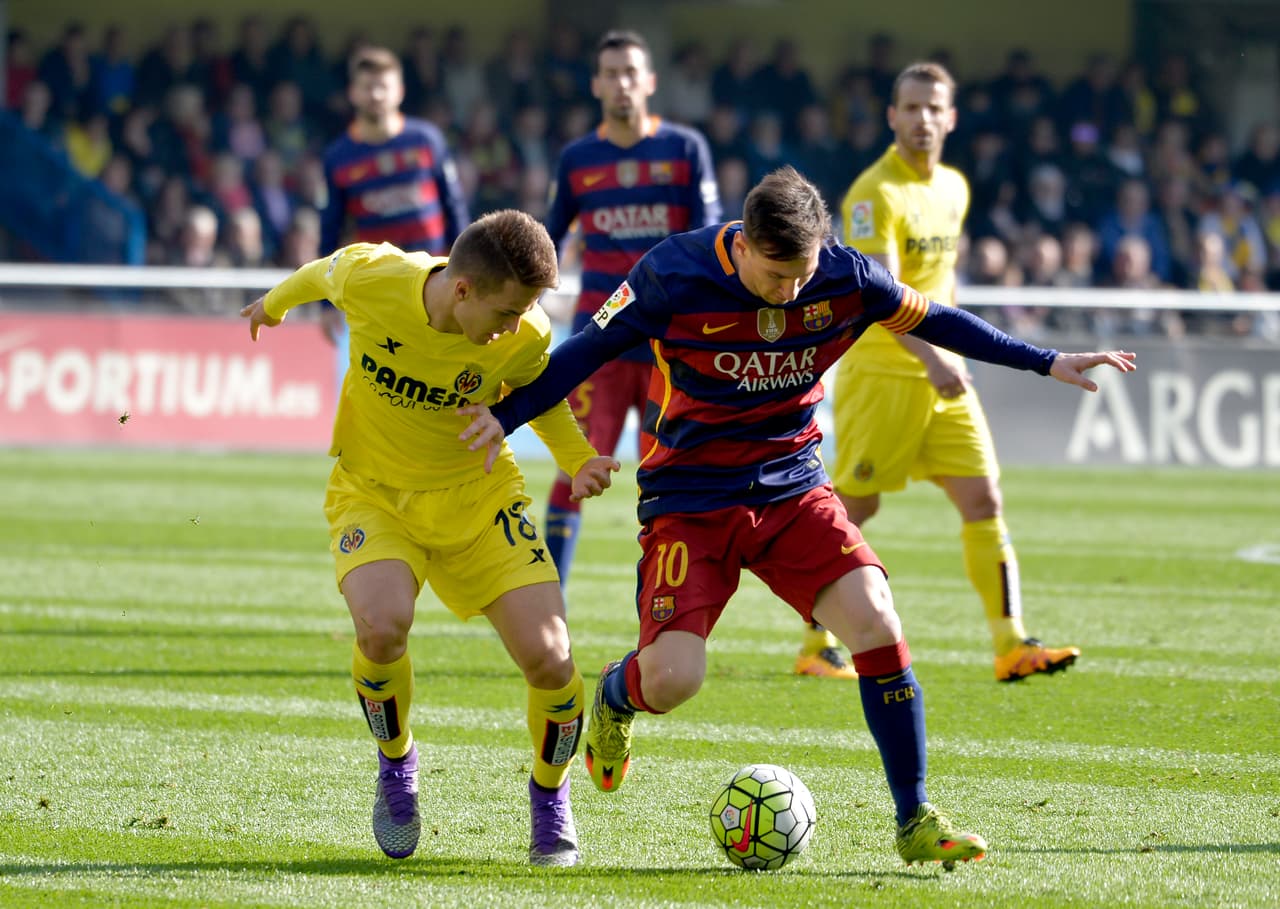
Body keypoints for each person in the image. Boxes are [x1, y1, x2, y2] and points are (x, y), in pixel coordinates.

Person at [459, 166, 1136, 864]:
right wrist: (505, 416)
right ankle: (614, 694)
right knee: (672, 680)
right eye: (776, 275)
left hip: (793, 487)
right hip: (690, 498)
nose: (789, 293)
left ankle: (913, 818)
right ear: (743, 244)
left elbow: (936, 318)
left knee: (877, 621)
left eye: (802, 276)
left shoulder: (848, 277)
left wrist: (1044, 360)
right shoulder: (673, 273)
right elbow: (583, 352)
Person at [240, 209, 620, 867]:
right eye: (508, 310)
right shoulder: (376, 276)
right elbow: (321, 274)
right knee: (382, 627)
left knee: (553, 660)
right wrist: (272, 305)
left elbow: (538, 391)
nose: (519, 324)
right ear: (463, 289)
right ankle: (396, 763)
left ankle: (550, 796)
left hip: (479, 501)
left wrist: (578, 458)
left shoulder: (525, 331)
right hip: (375, 493)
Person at [833, 61, 1084, 683]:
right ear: (892, 116)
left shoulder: (953, 187)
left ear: (951, 118)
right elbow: (878, 296)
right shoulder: (873, 193)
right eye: (910, 107)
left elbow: (940, 285)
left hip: (944, 374)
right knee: (853, 508)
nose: (922, 118)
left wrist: (949, 355)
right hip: (884, 375)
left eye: (932, 108)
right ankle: (817, 645)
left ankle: (1011, 644)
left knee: (983, 497)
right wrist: (932, 355)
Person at [539, 30, 722, 595]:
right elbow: (547, 241)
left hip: (670, 343)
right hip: (598, 341)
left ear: (650, 82)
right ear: (596, 85)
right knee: (573, 469)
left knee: (668, 477)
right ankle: (545, 601)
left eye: (631, 73)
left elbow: (711, 239)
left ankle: (667, 600)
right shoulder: (577, 159)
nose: (622, 83)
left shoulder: (685, 149)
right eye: (611, 73)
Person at [319, 46, 471, 393]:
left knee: (442, 382)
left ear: (399, 91)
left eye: (383, 86)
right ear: (353, 92)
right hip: (380, 288)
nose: (375, 95)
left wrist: (468, 273)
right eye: (367, 87)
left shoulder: (426, 140)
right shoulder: (338, 156)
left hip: (436, 282)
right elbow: (330, 230)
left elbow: (455, 211)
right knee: (386, 387)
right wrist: (325, 303)